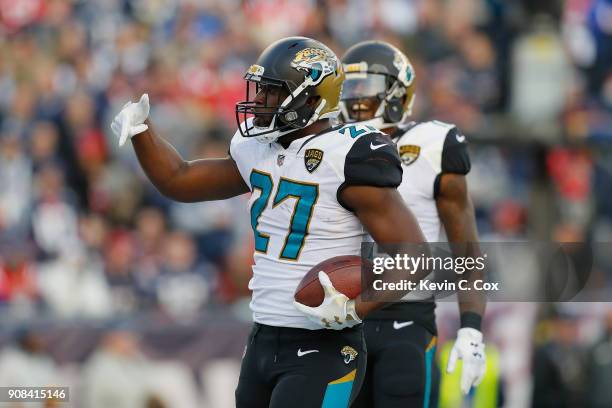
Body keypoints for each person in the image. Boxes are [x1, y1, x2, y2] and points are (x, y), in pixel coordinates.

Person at [111, 36, 428, 408]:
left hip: (323, 347)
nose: (258, 101)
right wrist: (141, 131)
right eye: (259, 90)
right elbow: (178, 179)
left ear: (310, 99)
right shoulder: (257, 151)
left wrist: (358, 307)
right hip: (262, 340)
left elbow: (415, 257)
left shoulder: (348, 156)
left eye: (271, 93)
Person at [339, 40, 487, 408]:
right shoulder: (327, 147)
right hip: (339, 319)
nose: (356, 100)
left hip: (405, 320)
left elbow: (466, 251)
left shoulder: (432, 147)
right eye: (350, 88)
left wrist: (471, 328)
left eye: (365, 87)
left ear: (397, 93)